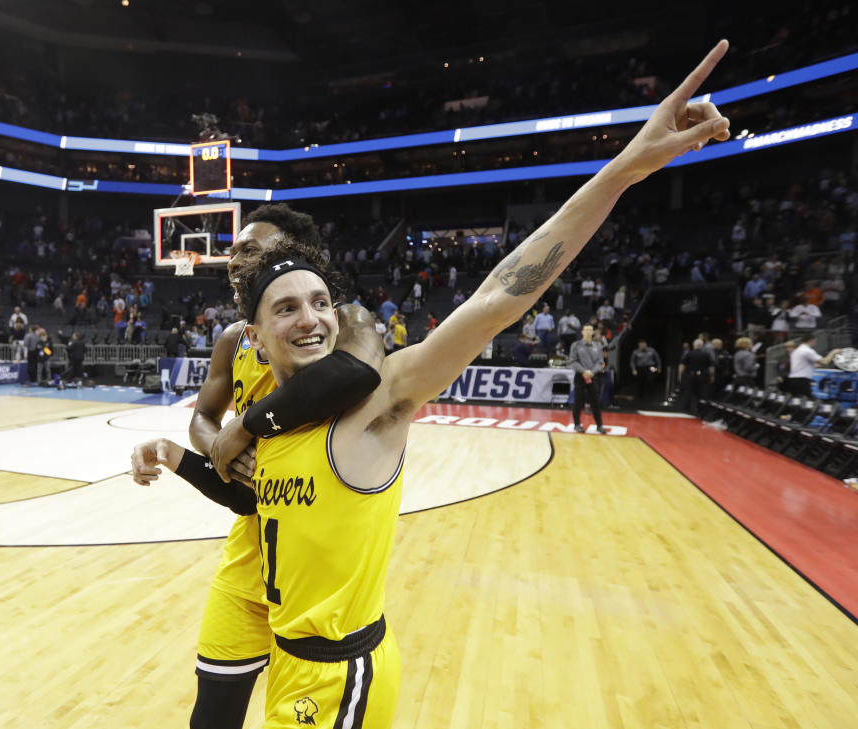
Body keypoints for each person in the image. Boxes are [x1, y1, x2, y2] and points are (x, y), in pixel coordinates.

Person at [137, 42, 732, 728]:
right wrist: (175, 452)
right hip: (290, 656)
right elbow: (248, 498)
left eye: (321, 301)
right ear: (256, 335)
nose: (311, 317)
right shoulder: (273, 419)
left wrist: (624, 170)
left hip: (337, 675)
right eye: (287, 307)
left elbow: (499, 297)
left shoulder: (380, 398)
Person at [133, 203, 386, 729]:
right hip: (251, 543)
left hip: (311, 553)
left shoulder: (344, 320)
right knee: (214, 711)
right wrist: (217, 447)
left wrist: (245, 426)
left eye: (250, 249)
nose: (233, 260)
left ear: (290, 252)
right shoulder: (236, 337)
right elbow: (202, 419)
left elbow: (354, 375)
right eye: (232, 251)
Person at [568, 324, 606, 433]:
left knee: (595, 402)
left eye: (590, 330)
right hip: (580, 376)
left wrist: (591, 372)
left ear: (593, 332)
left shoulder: (598, 346)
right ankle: (577, 424)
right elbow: (572, 361)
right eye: (586, 330)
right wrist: (584, 371)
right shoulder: (576, 345)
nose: (588, 332)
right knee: (578, 401)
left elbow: (600, 362)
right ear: (582, 332)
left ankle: (599, 426)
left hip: (593, 377)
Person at [678, 337, 714, 414]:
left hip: (691, 375)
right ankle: (701, 409)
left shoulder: (689, 353)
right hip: (702, 376)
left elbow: (682, 365)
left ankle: (686, 409)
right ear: (701, 345)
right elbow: (711, 367)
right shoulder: (706, 354)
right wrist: (712, 376)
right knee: (701, 393)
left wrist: (680, 374)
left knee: (688, 392)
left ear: (694, 345)